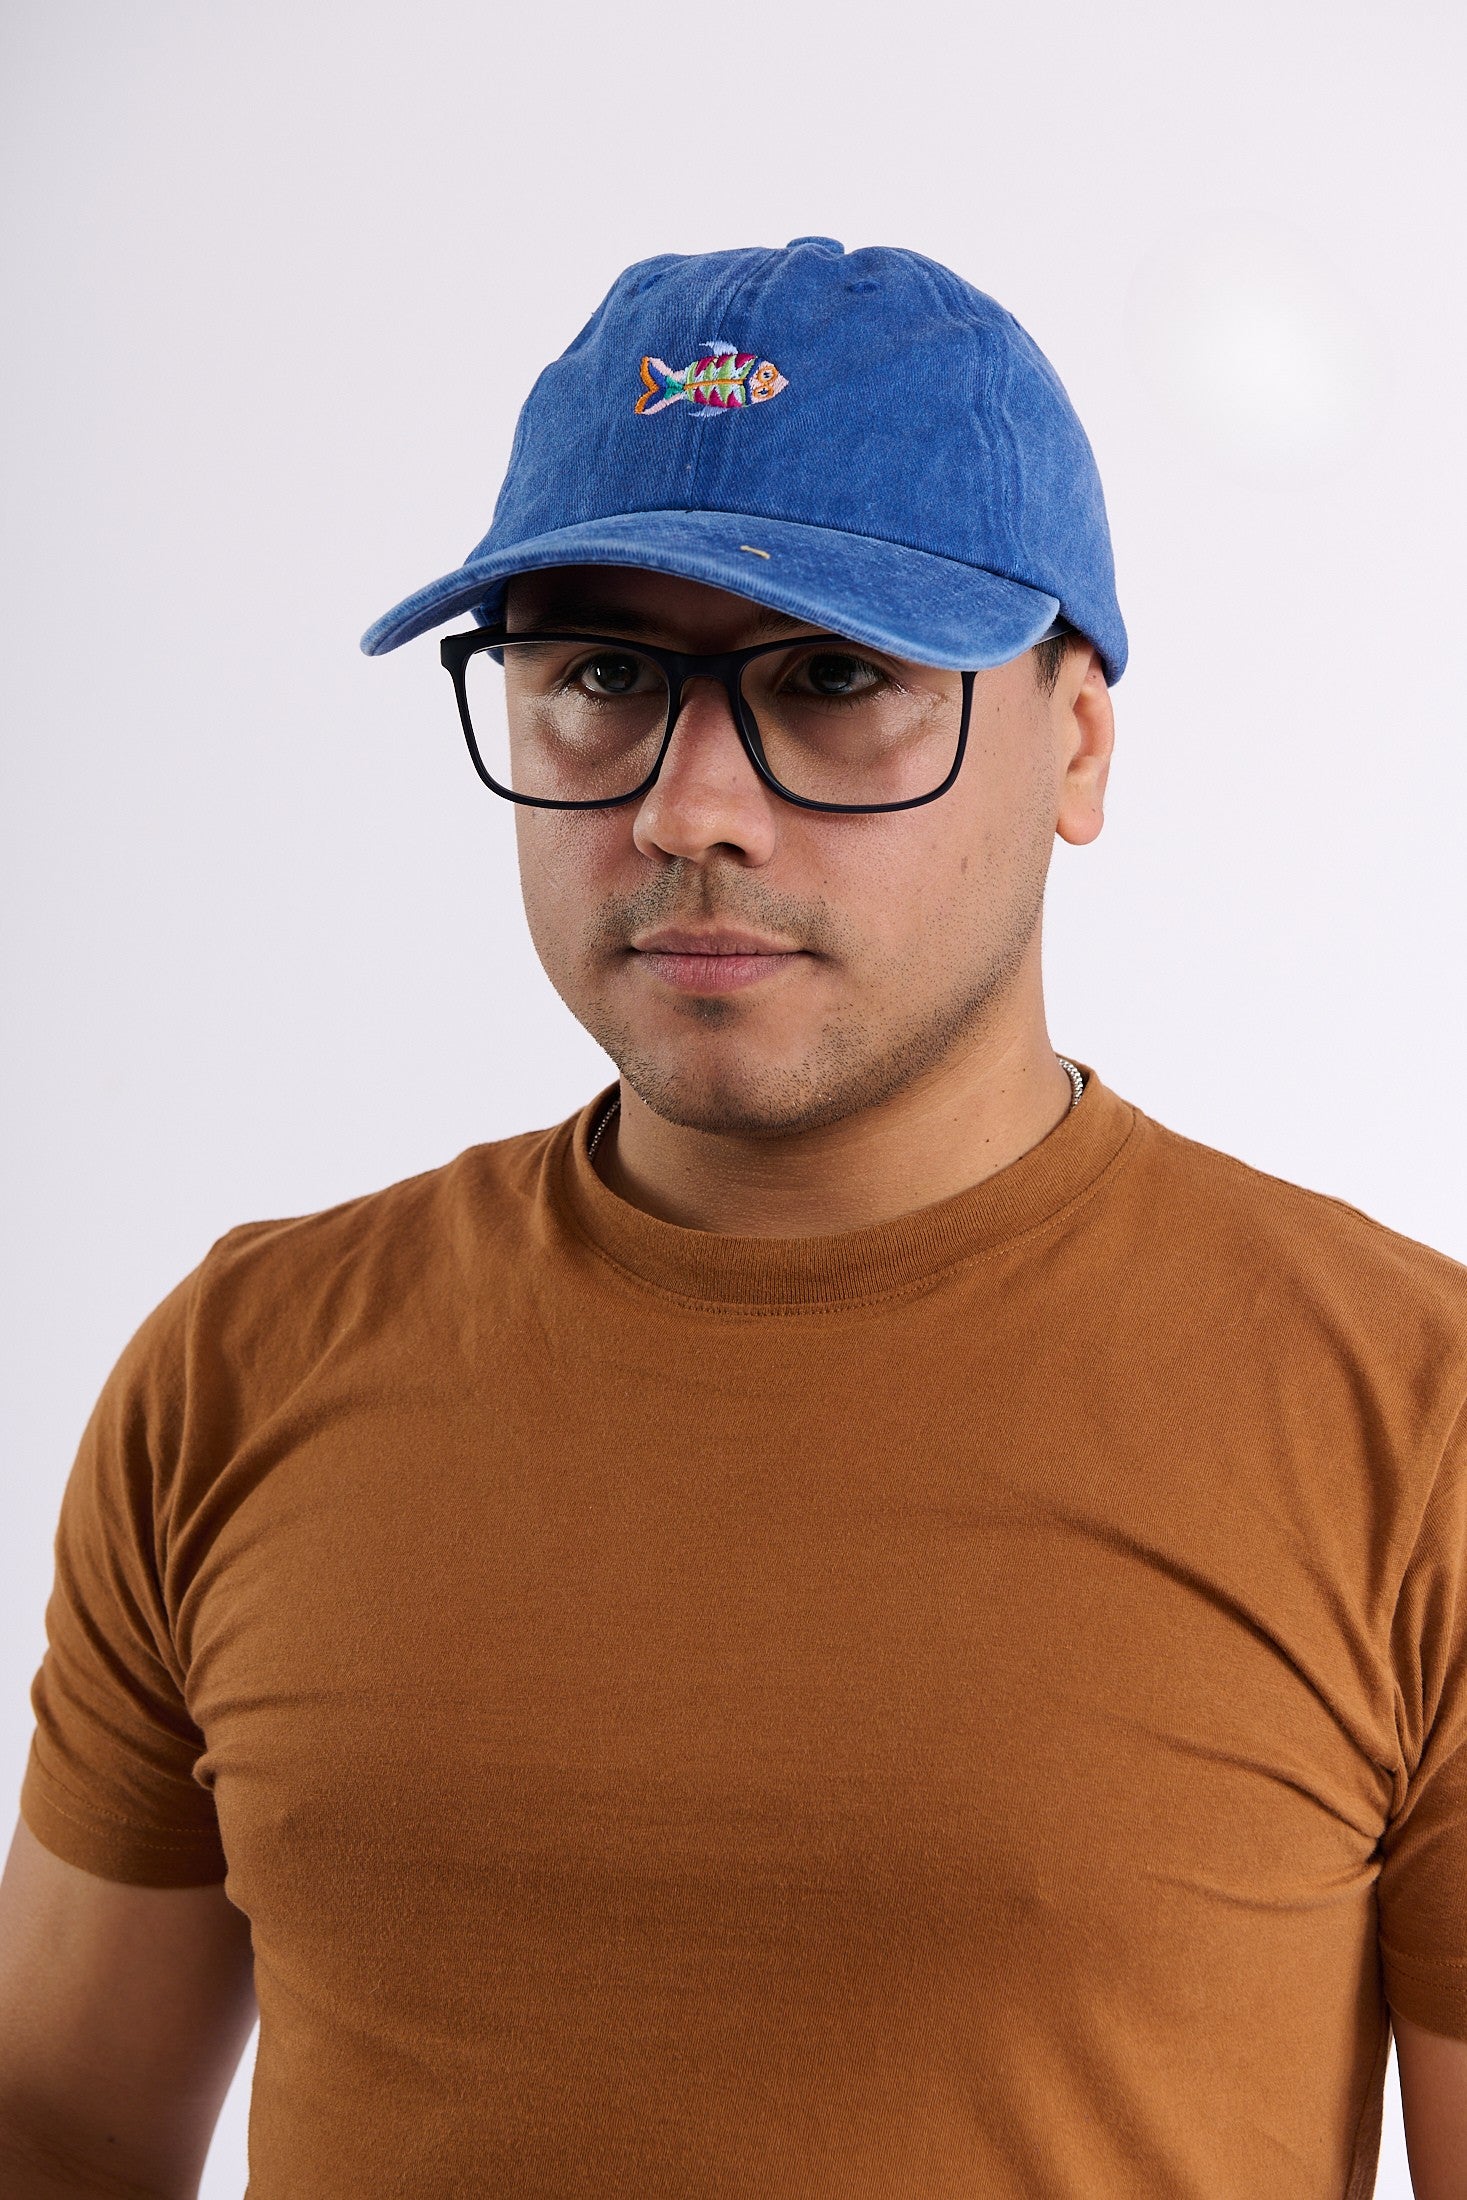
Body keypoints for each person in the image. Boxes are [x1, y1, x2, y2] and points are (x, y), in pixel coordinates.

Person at [1, 237, 1464, 2200]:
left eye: (832, 676)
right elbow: (60, 2126)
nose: (690, 808)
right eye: (603, 675)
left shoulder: (1408, 1420)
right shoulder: (243, 1364)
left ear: (1077, 741)